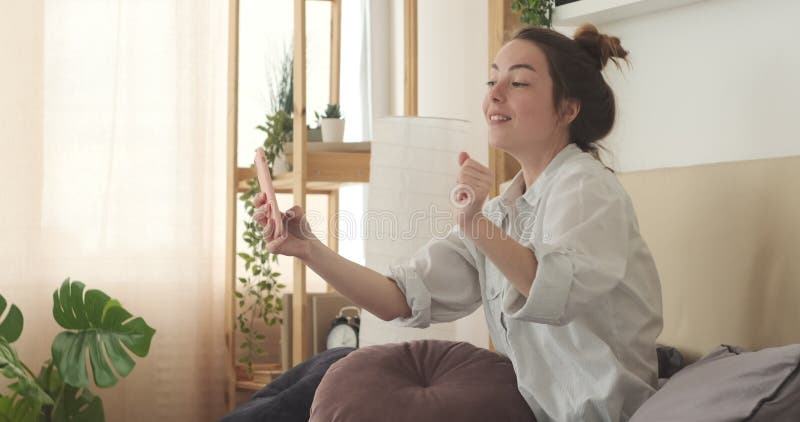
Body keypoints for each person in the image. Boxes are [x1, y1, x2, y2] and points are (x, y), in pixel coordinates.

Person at [254, 23, 663, 422]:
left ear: (568, 109)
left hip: (609, 413)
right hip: (539, 411)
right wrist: (309, 249)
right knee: (324, 375)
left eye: (518, 83)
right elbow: (397, 297)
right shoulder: (505, 208)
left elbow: (551, 289)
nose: (495, 96)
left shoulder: (587, 188)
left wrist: (475, 224)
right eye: (491, 82)